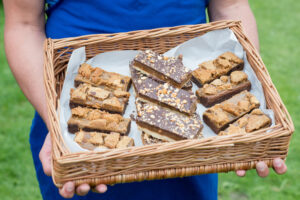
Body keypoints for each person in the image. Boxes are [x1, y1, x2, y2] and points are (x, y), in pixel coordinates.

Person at [3, 0, 287, 199]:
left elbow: (231, 6)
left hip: (190, 123)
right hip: (66, 109)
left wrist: (248, 101)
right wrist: (56, 120)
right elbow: (23, 24)